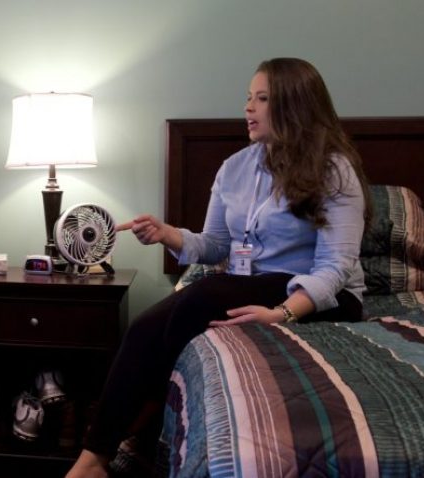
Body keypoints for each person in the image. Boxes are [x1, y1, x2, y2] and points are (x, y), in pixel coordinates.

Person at [66, 57, 370, 478]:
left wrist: (282, 314)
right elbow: (215, 246)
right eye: (248, 98)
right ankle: (94, 459)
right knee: (143, 326)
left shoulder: (334, 170)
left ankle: (142, 433)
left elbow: (335, 266)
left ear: (293, 106)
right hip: (254, 282)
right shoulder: (235, 168)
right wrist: (167, 234)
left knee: (203, 295)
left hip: (323, 295)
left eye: (262, 99)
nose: (248, 108)